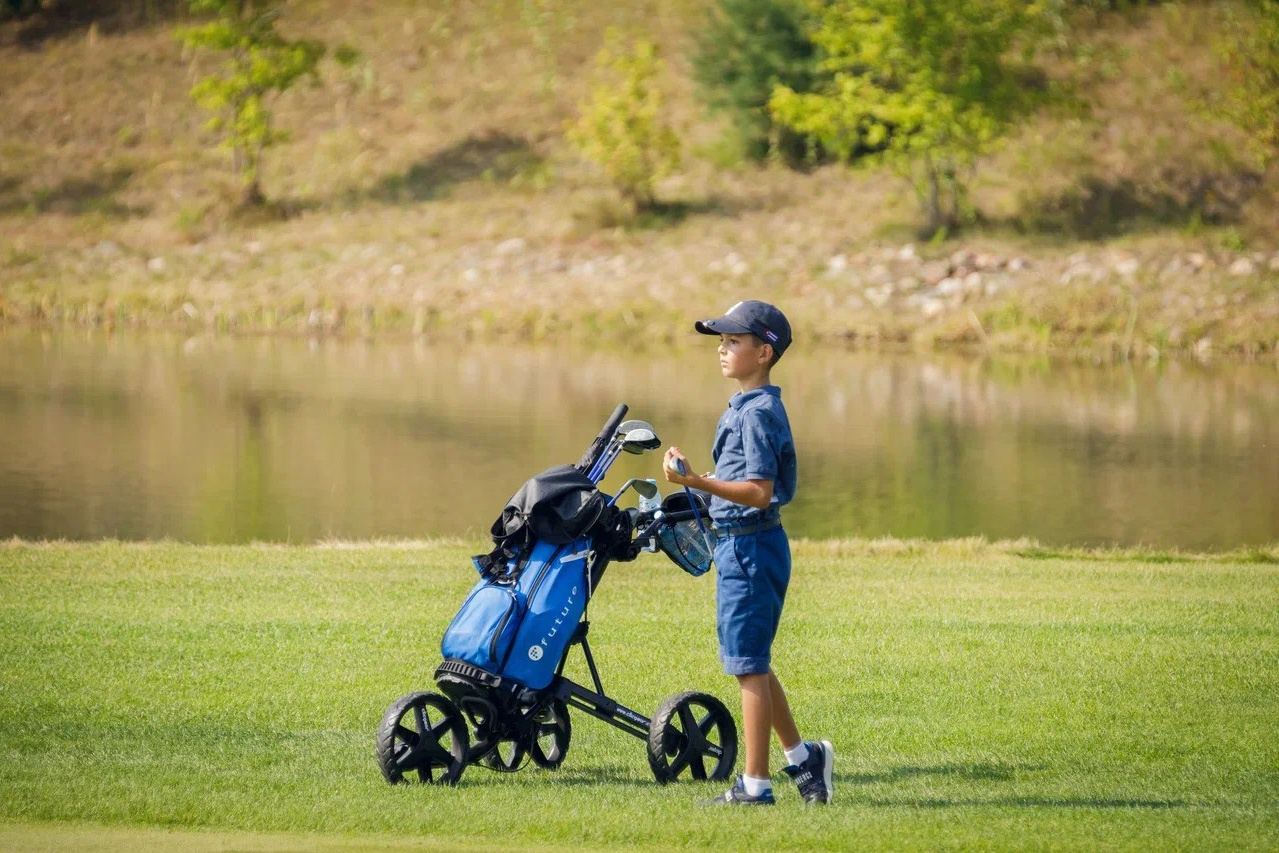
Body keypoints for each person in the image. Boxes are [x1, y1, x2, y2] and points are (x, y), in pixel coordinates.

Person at [663, 299, 834, 806]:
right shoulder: (746, 407)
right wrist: (702, 481)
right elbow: (743, 481)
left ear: (763, 352)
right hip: (744, 546)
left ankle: (756, 786)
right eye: (721, 340)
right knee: (750, 661)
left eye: (733, 341)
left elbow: (759, 490)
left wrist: (696, 480)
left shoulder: (757, 414)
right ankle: (805, 759)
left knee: (747, 666)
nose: (722, 349)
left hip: (751, 547)